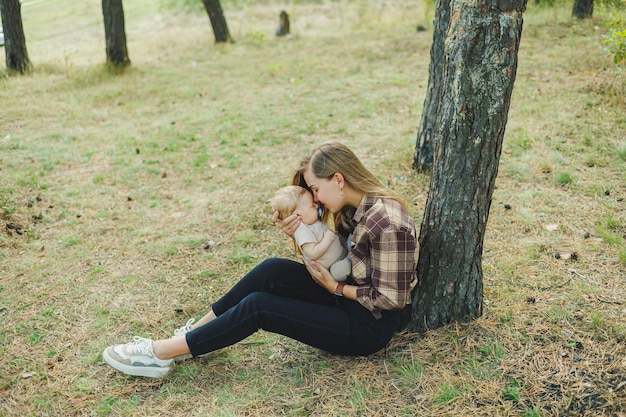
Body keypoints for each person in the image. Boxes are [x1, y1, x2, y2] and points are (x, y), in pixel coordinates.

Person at [102, 142, 419, 378]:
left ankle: (160, 355)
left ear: (338, 179)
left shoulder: (386, 221)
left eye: (315, 189)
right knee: (271, 270)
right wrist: (299, 231)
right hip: (344, 296)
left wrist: (335, 288)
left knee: (260, 307)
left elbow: (391, 299)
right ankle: (188, 338)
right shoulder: (352, 207)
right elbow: (331, 249)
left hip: (366, 326)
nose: (316, 198)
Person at [270, 185, 351, 281]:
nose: (316, 205)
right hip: (331, 269)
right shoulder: (302, 230)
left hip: (340, 254)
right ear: (298, 215)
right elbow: (312, 253)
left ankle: (351, 255)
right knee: (340, 271)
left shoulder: (312, 222)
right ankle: (352, 259)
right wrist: (328, 239)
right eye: (312, 205)